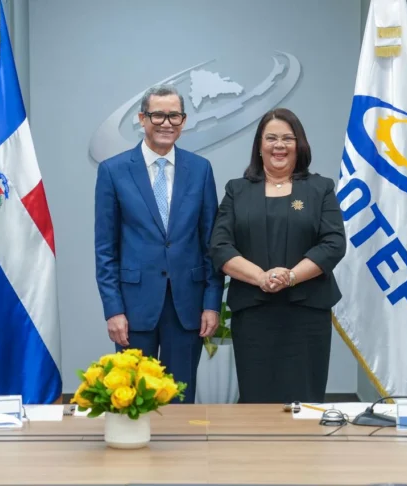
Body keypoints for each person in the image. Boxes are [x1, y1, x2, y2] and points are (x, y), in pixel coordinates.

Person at [94, 85, 223, 403]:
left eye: (174, 116)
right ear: (142, 119)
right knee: (134, 399)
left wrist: (211, 303)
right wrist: (113, 310)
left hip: (187, 306)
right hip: (133, 308)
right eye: (158, 115)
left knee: (180, 398)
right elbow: (105, 250)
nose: (167, 123)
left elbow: (211, 244)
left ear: (184, 120)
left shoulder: (200, 169)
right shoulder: (113, 171)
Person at [209, 108, 347, 404]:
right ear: (259, 146)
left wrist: (291, 276)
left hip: (307, 314)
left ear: (300, 145)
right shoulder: (237, 190)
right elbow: (220, 246)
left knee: (304, 399)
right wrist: (261, 277)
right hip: (254, 314)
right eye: (271, 138)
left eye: (287, 138)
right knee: (257, 398)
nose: (279, 145)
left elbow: (333, 243)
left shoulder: (320, 188)